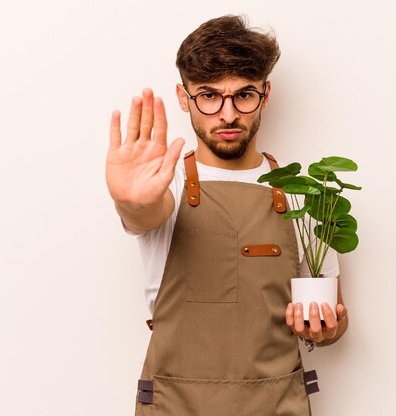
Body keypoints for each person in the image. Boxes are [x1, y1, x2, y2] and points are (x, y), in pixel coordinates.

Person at [106, 15, 348, 415]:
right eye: (209, 95)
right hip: (175, 406)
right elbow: (145, 214)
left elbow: (335, 322)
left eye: (243, 95)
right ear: (184, 98)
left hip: (277, 405)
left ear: (265, 94)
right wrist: (131, 201)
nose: (228, 114)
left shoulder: (307, 195)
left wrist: (327, 329)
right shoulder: (167, 187)